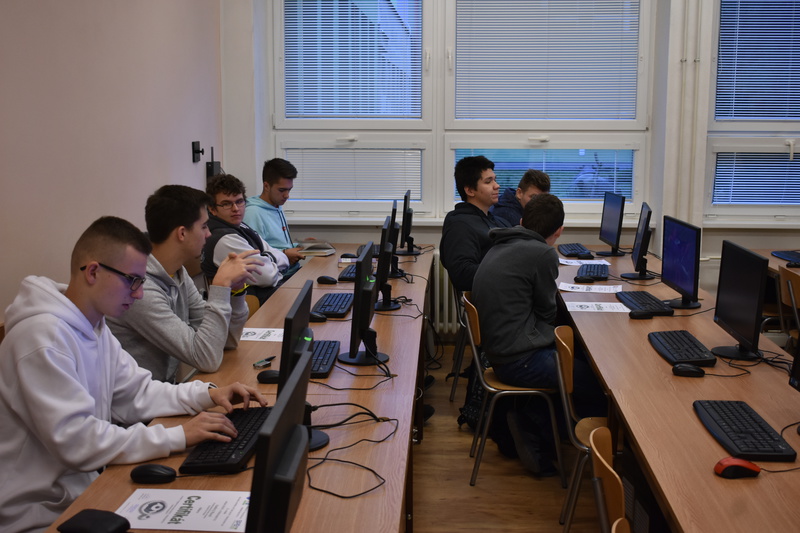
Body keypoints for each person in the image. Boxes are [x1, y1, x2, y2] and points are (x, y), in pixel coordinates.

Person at [0, 216, 267, 532]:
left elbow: (137, 392)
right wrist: (178, 436)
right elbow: (77, 441)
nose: (139, 294)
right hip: (37, 514)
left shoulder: (93, 325)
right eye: (133, 281)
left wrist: (207, 395)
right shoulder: (42, 338)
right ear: (93, 272)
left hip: (81, 491)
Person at [471, 194, 605, 475]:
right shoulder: (542, 253)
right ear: (559, 231)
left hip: (500, 351)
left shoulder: (502, 242)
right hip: (518, 360)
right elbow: (546, 312)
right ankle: (534, 422)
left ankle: (539, 423)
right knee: (599, 383)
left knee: (582, 356)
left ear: (522, 221)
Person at [107, 185, 263, 383]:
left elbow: (226, 341)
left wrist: (236, 292)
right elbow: (206, 359)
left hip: (165, 392)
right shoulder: (140, 289)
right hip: (142, 400)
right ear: (182, 233)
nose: (208, 234)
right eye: (204, 226)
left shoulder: (177, 272)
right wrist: (220, 286)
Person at [203, 174, 290, 304]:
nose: (235, 209)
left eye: (239, 201)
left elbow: (284, 259)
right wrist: (270, 260)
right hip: (249, 304)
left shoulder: (239, 225)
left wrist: (267, 259)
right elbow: (268, 277)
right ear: (212, 209)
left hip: (268, 295)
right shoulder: (224, 239)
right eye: (226, 204)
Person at [439, 155, 511, 292]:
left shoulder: (498, 220)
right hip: (495, 298)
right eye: (488, 181)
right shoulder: (460, 225)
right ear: (470, 190)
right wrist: (511, 271)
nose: (497, 185)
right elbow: (462, 275)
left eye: (495, 180)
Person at [243, 158, 306, 275]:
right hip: (278, 278)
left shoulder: (276, 205)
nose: (287, 195)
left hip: (291, 272)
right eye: (282, 190)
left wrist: (300, 246)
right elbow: (253, 256)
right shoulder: (253, 213)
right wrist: (285, 254)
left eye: (289, 190)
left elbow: (276, 245)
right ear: (266, 186)